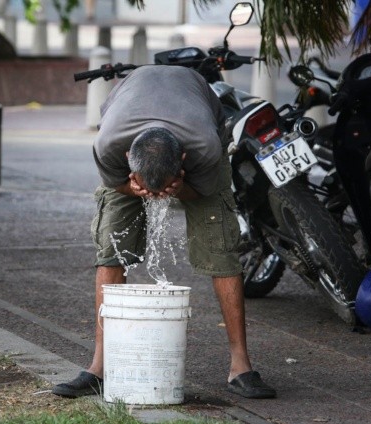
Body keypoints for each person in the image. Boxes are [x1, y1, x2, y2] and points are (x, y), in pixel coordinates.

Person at [52, 65, 276, 400]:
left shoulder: (203, 147)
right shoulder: (110, 144)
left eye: (167, 185)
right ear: (130, 160)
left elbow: (201, 192)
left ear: (183, 160)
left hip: (195, 113)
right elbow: (113, 183)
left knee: (223, 253)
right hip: (133, 103)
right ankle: (99, 367)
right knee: (110, 252)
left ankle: (241, 366)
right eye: (143, 184)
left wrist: (180, 187)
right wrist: (134, 190)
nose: (158, 195)